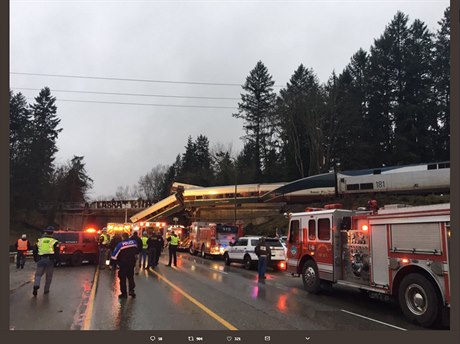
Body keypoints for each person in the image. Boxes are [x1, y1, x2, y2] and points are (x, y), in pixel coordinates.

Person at [32, 226, 59, 296]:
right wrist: (57, 261)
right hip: (50, 260)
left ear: (45, 232)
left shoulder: (39, 240)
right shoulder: (55, 241)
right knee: (49, 276)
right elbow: (57, 252)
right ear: (52, 233)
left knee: (38, 274)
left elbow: (34, 250)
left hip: (40, 259)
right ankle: (46, 290)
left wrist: (35, 259)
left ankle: (36, 285)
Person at [111, 232, 138, 298]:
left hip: (123, 264)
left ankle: (124, 294)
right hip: (132, 263)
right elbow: (136, 250)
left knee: (122, 279)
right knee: (130, 277)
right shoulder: (134, 242)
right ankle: (131, 291)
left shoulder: (120, 245)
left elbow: (114, 256)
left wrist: (113, 263)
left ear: (122, 237)